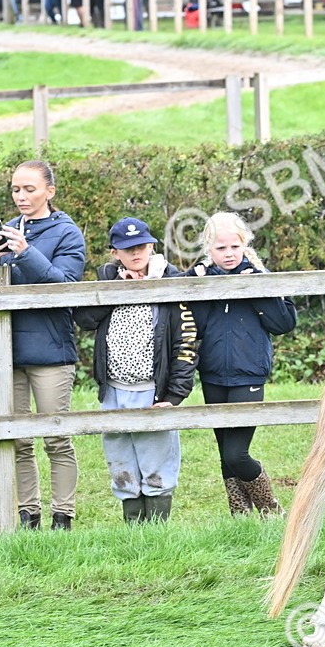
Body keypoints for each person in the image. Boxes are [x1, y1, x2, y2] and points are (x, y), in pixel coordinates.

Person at [0, 160, 86, 530]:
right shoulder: (10, 230)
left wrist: (25, 253)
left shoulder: (68, 233)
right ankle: (29, 515)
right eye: (16, 189)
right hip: (6, 351)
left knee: (56, 436)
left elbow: (64, 285)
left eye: (30, 189)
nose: (21, 196)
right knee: (18, 439)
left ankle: (63, 516)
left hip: (52, 352)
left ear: (49, 192)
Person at [74, 219, 198, 524]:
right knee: (121, 463)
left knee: (156, 462)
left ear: (152, 246)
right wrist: (120, 288)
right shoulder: (107, 278)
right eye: (128, 249)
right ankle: (133, 531)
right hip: (114, 389)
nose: (136, 253)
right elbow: (85, 319)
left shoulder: (171, 281)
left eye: (141, 246)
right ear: (115, 253)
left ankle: (155, 534)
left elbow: (187, 342)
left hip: (152, 389)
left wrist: (175, 395)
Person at [187, 212, 297, 516]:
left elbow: (284, 322)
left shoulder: (260, 276)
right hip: (212, 374)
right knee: (225, 453)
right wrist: (194, 285)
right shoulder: (198, 279)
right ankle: (240, 515)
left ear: (244, 244)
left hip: (248, 374)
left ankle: (271, 508)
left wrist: (255, 290)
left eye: (234, 247)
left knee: (237, 453)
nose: (229, 254)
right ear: (209, 249)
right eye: (221, 248)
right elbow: (189, 324)